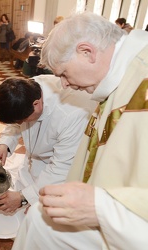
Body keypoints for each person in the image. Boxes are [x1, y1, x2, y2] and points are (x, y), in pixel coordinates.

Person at [12, 12, 148, 249]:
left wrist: (102, 208)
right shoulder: (113, 82)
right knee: (38, 219)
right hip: (107, 214)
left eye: (63, 73)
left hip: (131, 225)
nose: (64, 84)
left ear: (87, 52)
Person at [0, 75, 96, 213]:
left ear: (37, 105)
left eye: (22, 120)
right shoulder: (28, 88)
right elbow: (16, 120)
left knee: (40, 217)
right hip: (32, 164)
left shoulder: (72, 114)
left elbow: (61, 167)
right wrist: (5, 143)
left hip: (56, 172)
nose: (20, 124)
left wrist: (25, 197)